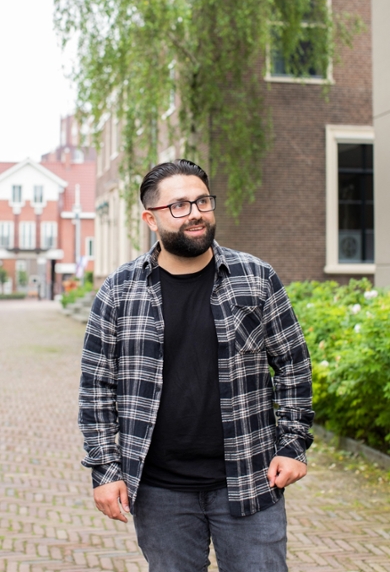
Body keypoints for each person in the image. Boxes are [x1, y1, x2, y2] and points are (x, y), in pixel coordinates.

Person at [79, 159, 314, 572]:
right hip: (159, 491)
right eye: (179, 205)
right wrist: (105, 469)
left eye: (202, 200)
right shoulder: (119, 292)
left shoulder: (256, 278)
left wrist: (293, 446)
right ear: (150, 219)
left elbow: (293, 365)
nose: (195, 214)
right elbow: (97, 387)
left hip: (250, 478)